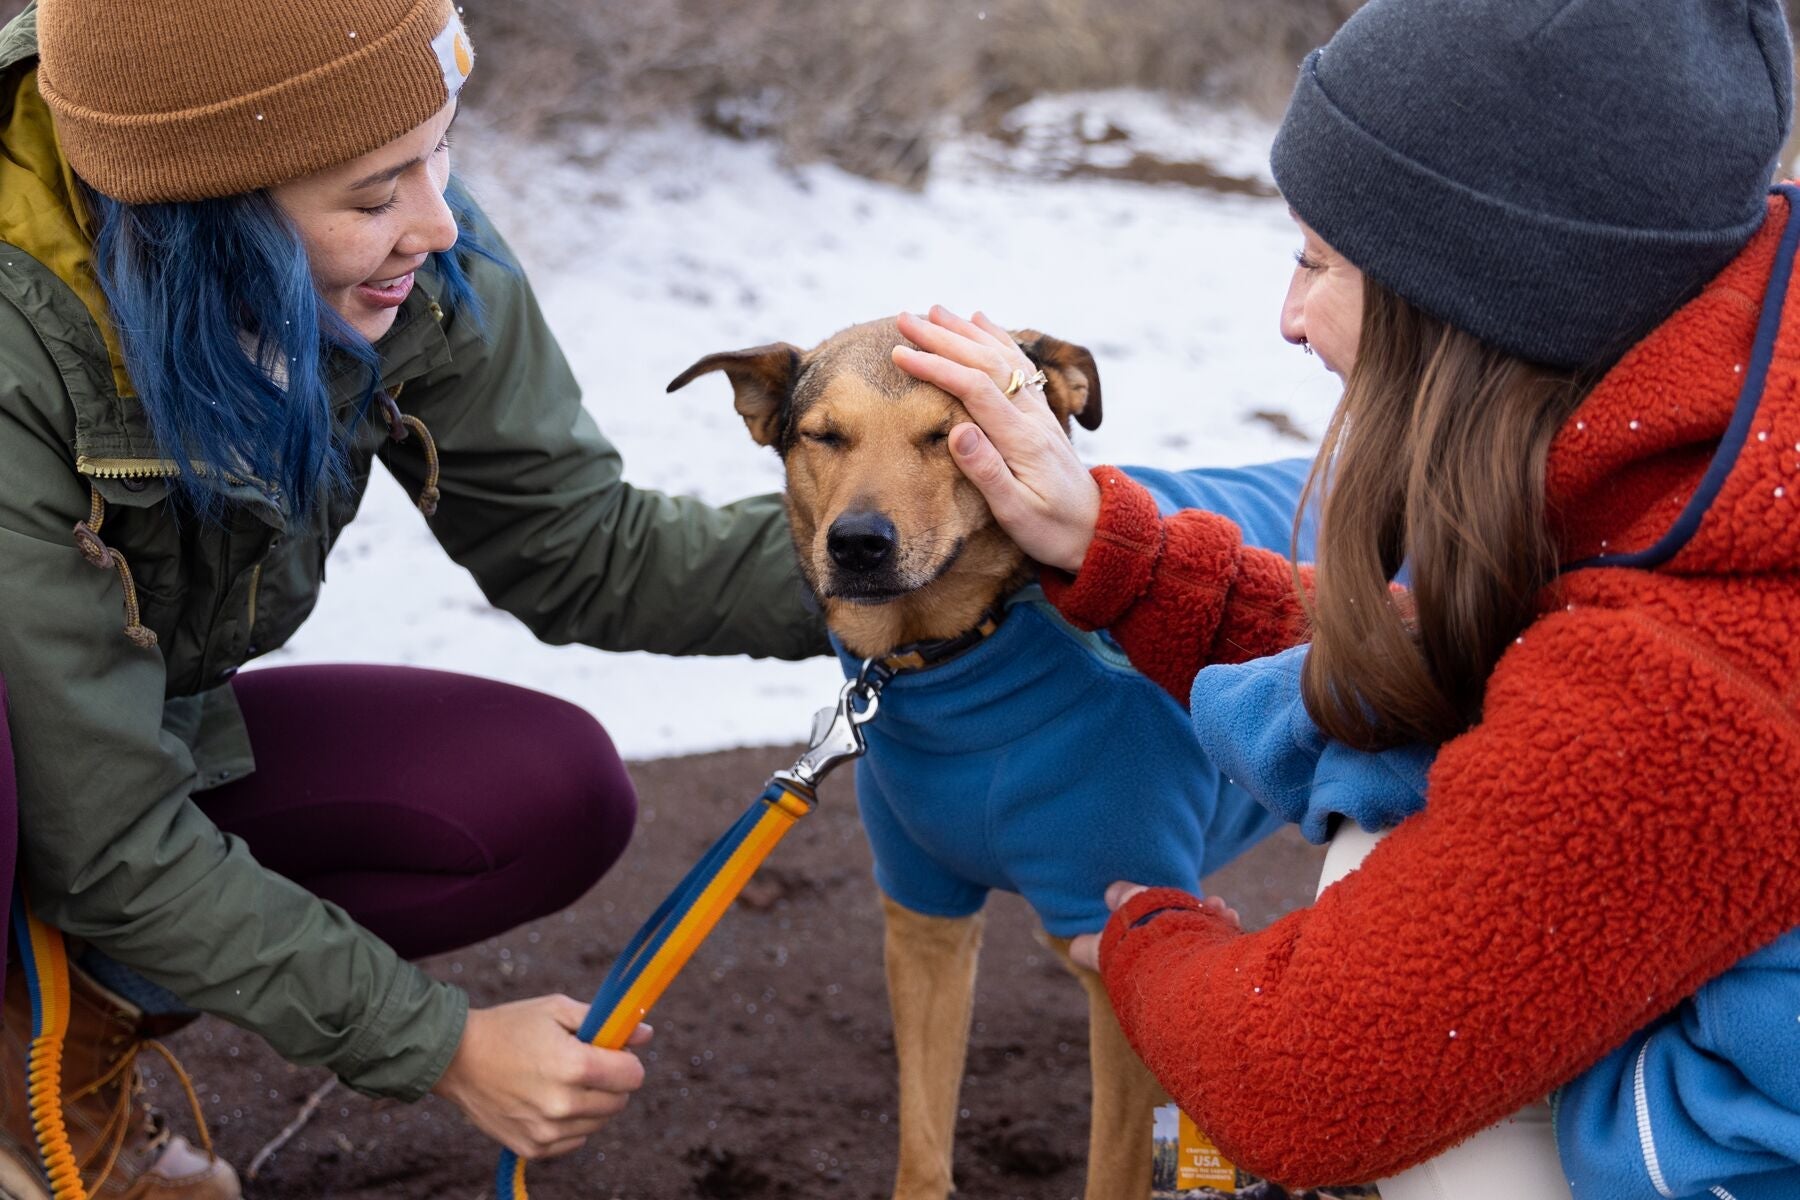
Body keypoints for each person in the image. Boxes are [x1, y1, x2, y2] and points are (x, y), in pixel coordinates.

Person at [892, 0, 1800, 1195]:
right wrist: (1111, 548)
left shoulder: (1710, 667)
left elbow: (1300, 1083)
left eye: (1319, 261)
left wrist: (1148, 936)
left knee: (1383, 894)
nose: (1287, 317)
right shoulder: (1702, 427)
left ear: (1476, 296)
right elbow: (1469, 668)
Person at [0, 1, 823, 1195]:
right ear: (200, 215)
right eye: (375, 195)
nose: (439, 225)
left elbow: (583, 545)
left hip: (126, 755)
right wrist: (439, 1047)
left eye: (442, 152)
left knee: (546, 794)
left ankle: (51, 1037)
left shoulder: (410, 250)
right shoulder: (21, 347)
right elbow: (101, 831)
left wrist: (918, 562)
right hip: (41, 783)